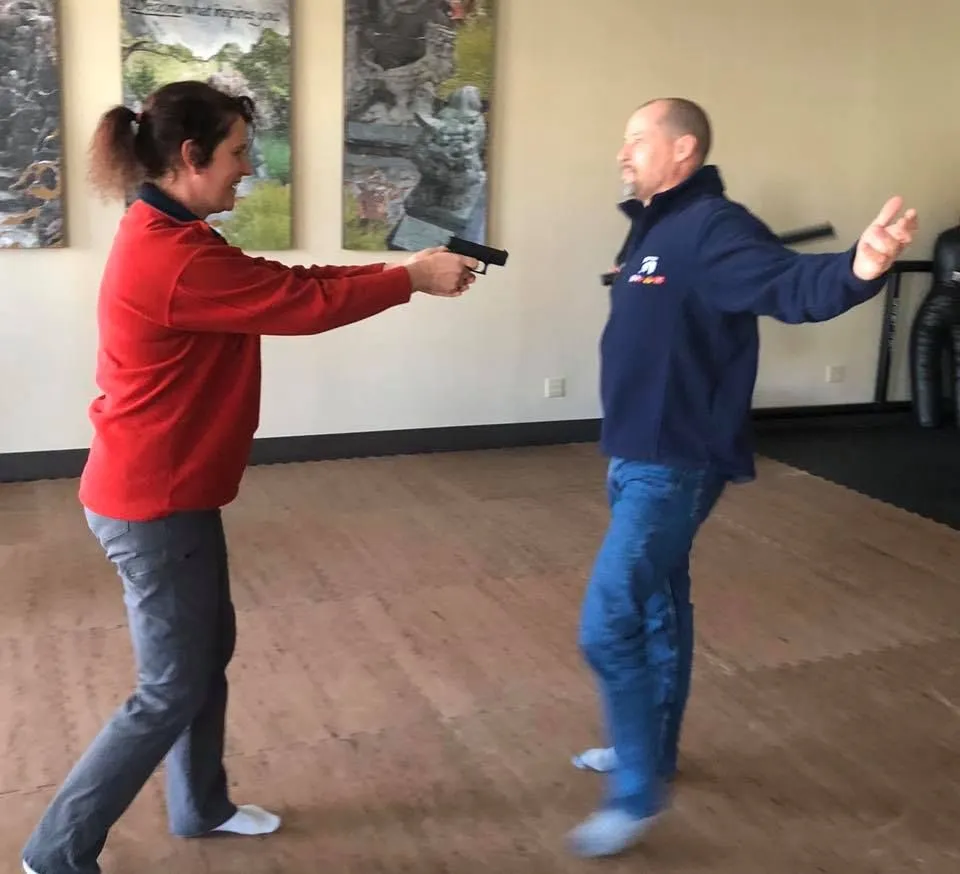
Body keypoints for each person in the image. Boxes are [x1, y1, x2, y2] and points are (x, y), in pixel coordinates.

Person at [20, 80, 478, 874]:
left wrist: (404, 268)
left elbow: (285, 283)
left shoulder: (174, 234)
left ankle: (202, 805)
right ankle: (54, 854)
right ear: (191, 156)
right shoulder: (171, 257)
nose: (248, 167)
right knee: (170, 686)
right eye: (237, 152)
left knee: (204, 654)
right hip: (153, 503)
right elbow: (300, 306)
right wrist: (410, 281)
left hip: (171, 494)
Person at [567, 97, 917, 859]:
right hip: (634, 452)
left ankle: (636, 794)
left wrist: (860, 266)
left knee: (608, 621)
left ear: (683, 150)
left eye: (637, 139)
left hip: (675, 462)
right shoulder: (655, 227)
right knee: (657, 608)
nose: (622, 152)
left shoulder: (712, 225)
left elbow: (789, 284)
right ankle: (651, 753)